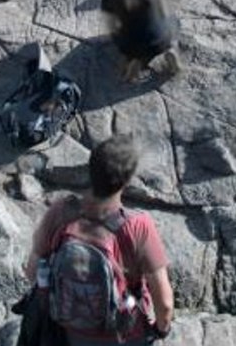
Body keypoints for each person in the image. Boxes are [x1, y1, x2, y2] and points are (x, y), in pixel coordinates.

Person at [25, 135, 174, 344]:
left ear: (90, 169)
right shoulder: (138, 226)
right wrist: (161, 330)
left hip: (67, 335)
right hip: (121, 337)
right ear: (127, 181)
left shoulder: (61, 211)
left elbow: (32, 271)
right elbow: (165, 304)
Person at [101, 0, 180, 83]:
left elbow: (112, 28)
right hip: (159, 40)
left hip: (131, 47)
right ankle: (171, 49)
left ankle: (135, 60)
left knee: (126, 36)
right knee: (173, 21)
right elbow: (164, 13)